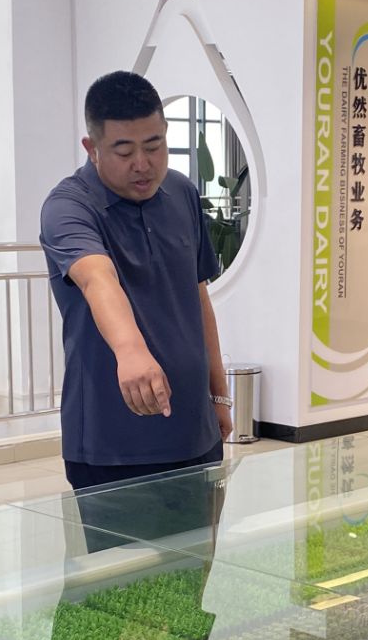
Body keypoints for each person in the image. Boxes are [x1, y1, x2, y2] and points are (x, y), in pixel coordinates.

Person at [39, 71, 232, 544]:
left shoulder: (181, 193)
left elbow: (197, 296)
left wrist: (219, 394)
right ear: (92, 148)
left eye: (155, 145)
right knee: (125, 584)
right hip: (113, 447)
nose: (143, 164)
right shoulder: (69, 206)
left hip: (195, 434)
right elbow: (96, 276)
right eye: (124, 151)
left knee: (194, 576)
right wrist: (131, 351)